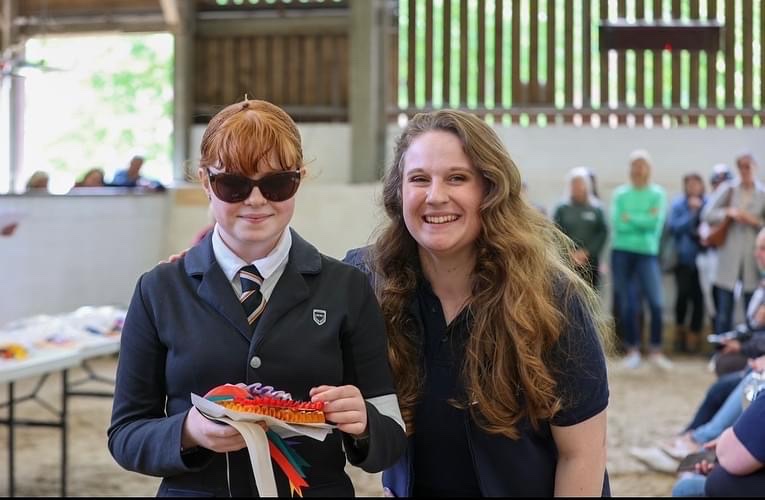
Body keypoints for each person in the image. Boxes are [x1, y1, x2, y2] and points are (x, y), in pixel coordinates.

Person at [107, 99, 407, 497]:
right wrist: (188, 431)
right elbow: (126, 435)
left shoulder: (346, 288)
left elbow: (390, 438)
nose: (256, 200)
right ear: (205, 182)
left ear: (299, 179)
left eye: (276, 183)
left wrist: (365, 422)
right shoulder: (159, 290)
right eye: (233, 184)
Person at [344, 109, 610, 496]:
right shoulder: (367, 282)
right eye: (419, 179)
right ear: (398, 192)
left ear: (489, 189)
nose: (436, 196)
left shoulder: (552, 299)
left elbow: (583, 456)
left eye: (457, 178)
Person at [610, 150, 671, 370]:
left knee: (656, 303)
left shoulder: (658, 194)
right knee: (628, 304)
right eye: (634, 164)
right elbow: (618, 223)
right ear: (630, 168)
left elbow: (655, 224)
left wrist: (632, 218)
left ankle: (656, 349)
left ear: (649, 168)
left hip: (648, 253)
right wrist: (642, 219)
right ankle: (632, 349)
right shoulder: (620, 194)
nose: (638, 169)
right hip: (622, 252)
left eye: (642, 164)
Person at [702, 152, 765, 337]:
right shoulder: (729, 189)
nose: (745, 171)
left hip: (751, 259)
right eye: (741, 167)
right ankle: (721, 351)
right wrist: (728, 213)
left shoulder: (761, 194)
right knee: (724, 310)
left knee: (750, 308)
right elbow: (707, 215)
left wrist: (753, 221)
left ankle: (748, 350)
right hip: (728, 256)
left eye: (748, 166)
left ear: (755, 167)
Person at [667, 172, 707, 353]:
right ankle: (679, 334)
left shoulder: (709, 203)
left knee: (699, 299)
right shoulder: (678, 204)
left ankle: (694, 338)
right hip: (682, 260)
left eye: (696, 184)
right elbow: (674, 227)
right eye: (689, 184)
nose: (692, 187)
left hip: (704, 261)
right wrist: (692, 213)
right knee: (682, 296)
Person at [553, 166, 608, 288]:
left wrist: (587, 252)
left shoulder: (597, 209)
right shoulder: (562, 209)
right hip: (567, 262)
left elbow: (602, 233)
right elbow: (555, 232)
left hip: (590, 263)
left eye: (580, 184)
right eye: (573, 184)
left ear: (587, 186)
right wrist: (569, 253)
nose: (576, 187)